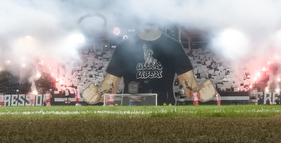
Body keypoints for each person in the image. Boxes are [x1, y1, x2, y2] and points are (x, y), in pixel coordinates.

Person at [81, 24, 216, 106]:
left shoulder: (173, 46)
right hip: (131, 110)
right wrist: (97, 94)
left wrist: (200, 93)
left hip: (164, 110)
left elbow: (190, 86)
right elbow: (110, 86)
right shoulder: (123, 47)